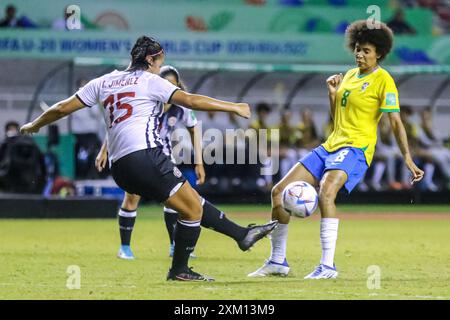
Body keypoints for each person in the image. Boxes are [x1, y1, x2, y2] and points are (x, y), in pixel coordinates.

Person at [20, 36, 278, 282]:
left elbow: (63, 107)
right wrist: (233, 106)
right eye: (160, 62)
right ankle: (180, 269)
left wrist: (34, 124)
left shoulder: (104, 81)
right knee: (191, 210)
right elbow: (189, 100)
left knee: (192, 205)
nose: (160, 68)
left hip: (120, 167)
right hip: (146, 155)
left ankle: (241, 235)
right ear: (153, 59)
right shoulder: (149, 81)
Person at [248, 20, 424, 279]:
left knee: (326, 193)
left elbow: (395, 121)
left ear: (379, 53)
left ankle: (327, 266)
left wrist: (407, 157)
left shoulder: (384, 80)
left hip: (356, 148)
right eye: (357, 49)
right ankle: (277, 262)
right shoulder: (350, 75)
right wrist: (332, 94)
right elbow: (338, 117)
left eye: (366, 50)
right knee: (278, 192)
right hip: (331, 143)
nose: (359, 54)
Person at [95, 65, 205, 260]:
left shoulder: (181, 108)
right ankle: (125, 247)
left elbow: (194, 128)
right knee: (132, 198)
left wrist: (199, 162)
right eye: (165, 83)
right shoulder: (145, 100)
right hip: (140, 155)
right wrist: (104, 150)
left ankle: (174, 245)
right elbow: (120, 124)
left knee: (175, 202)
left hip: (163, 158)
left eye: (173, 84)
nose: (169, 88)